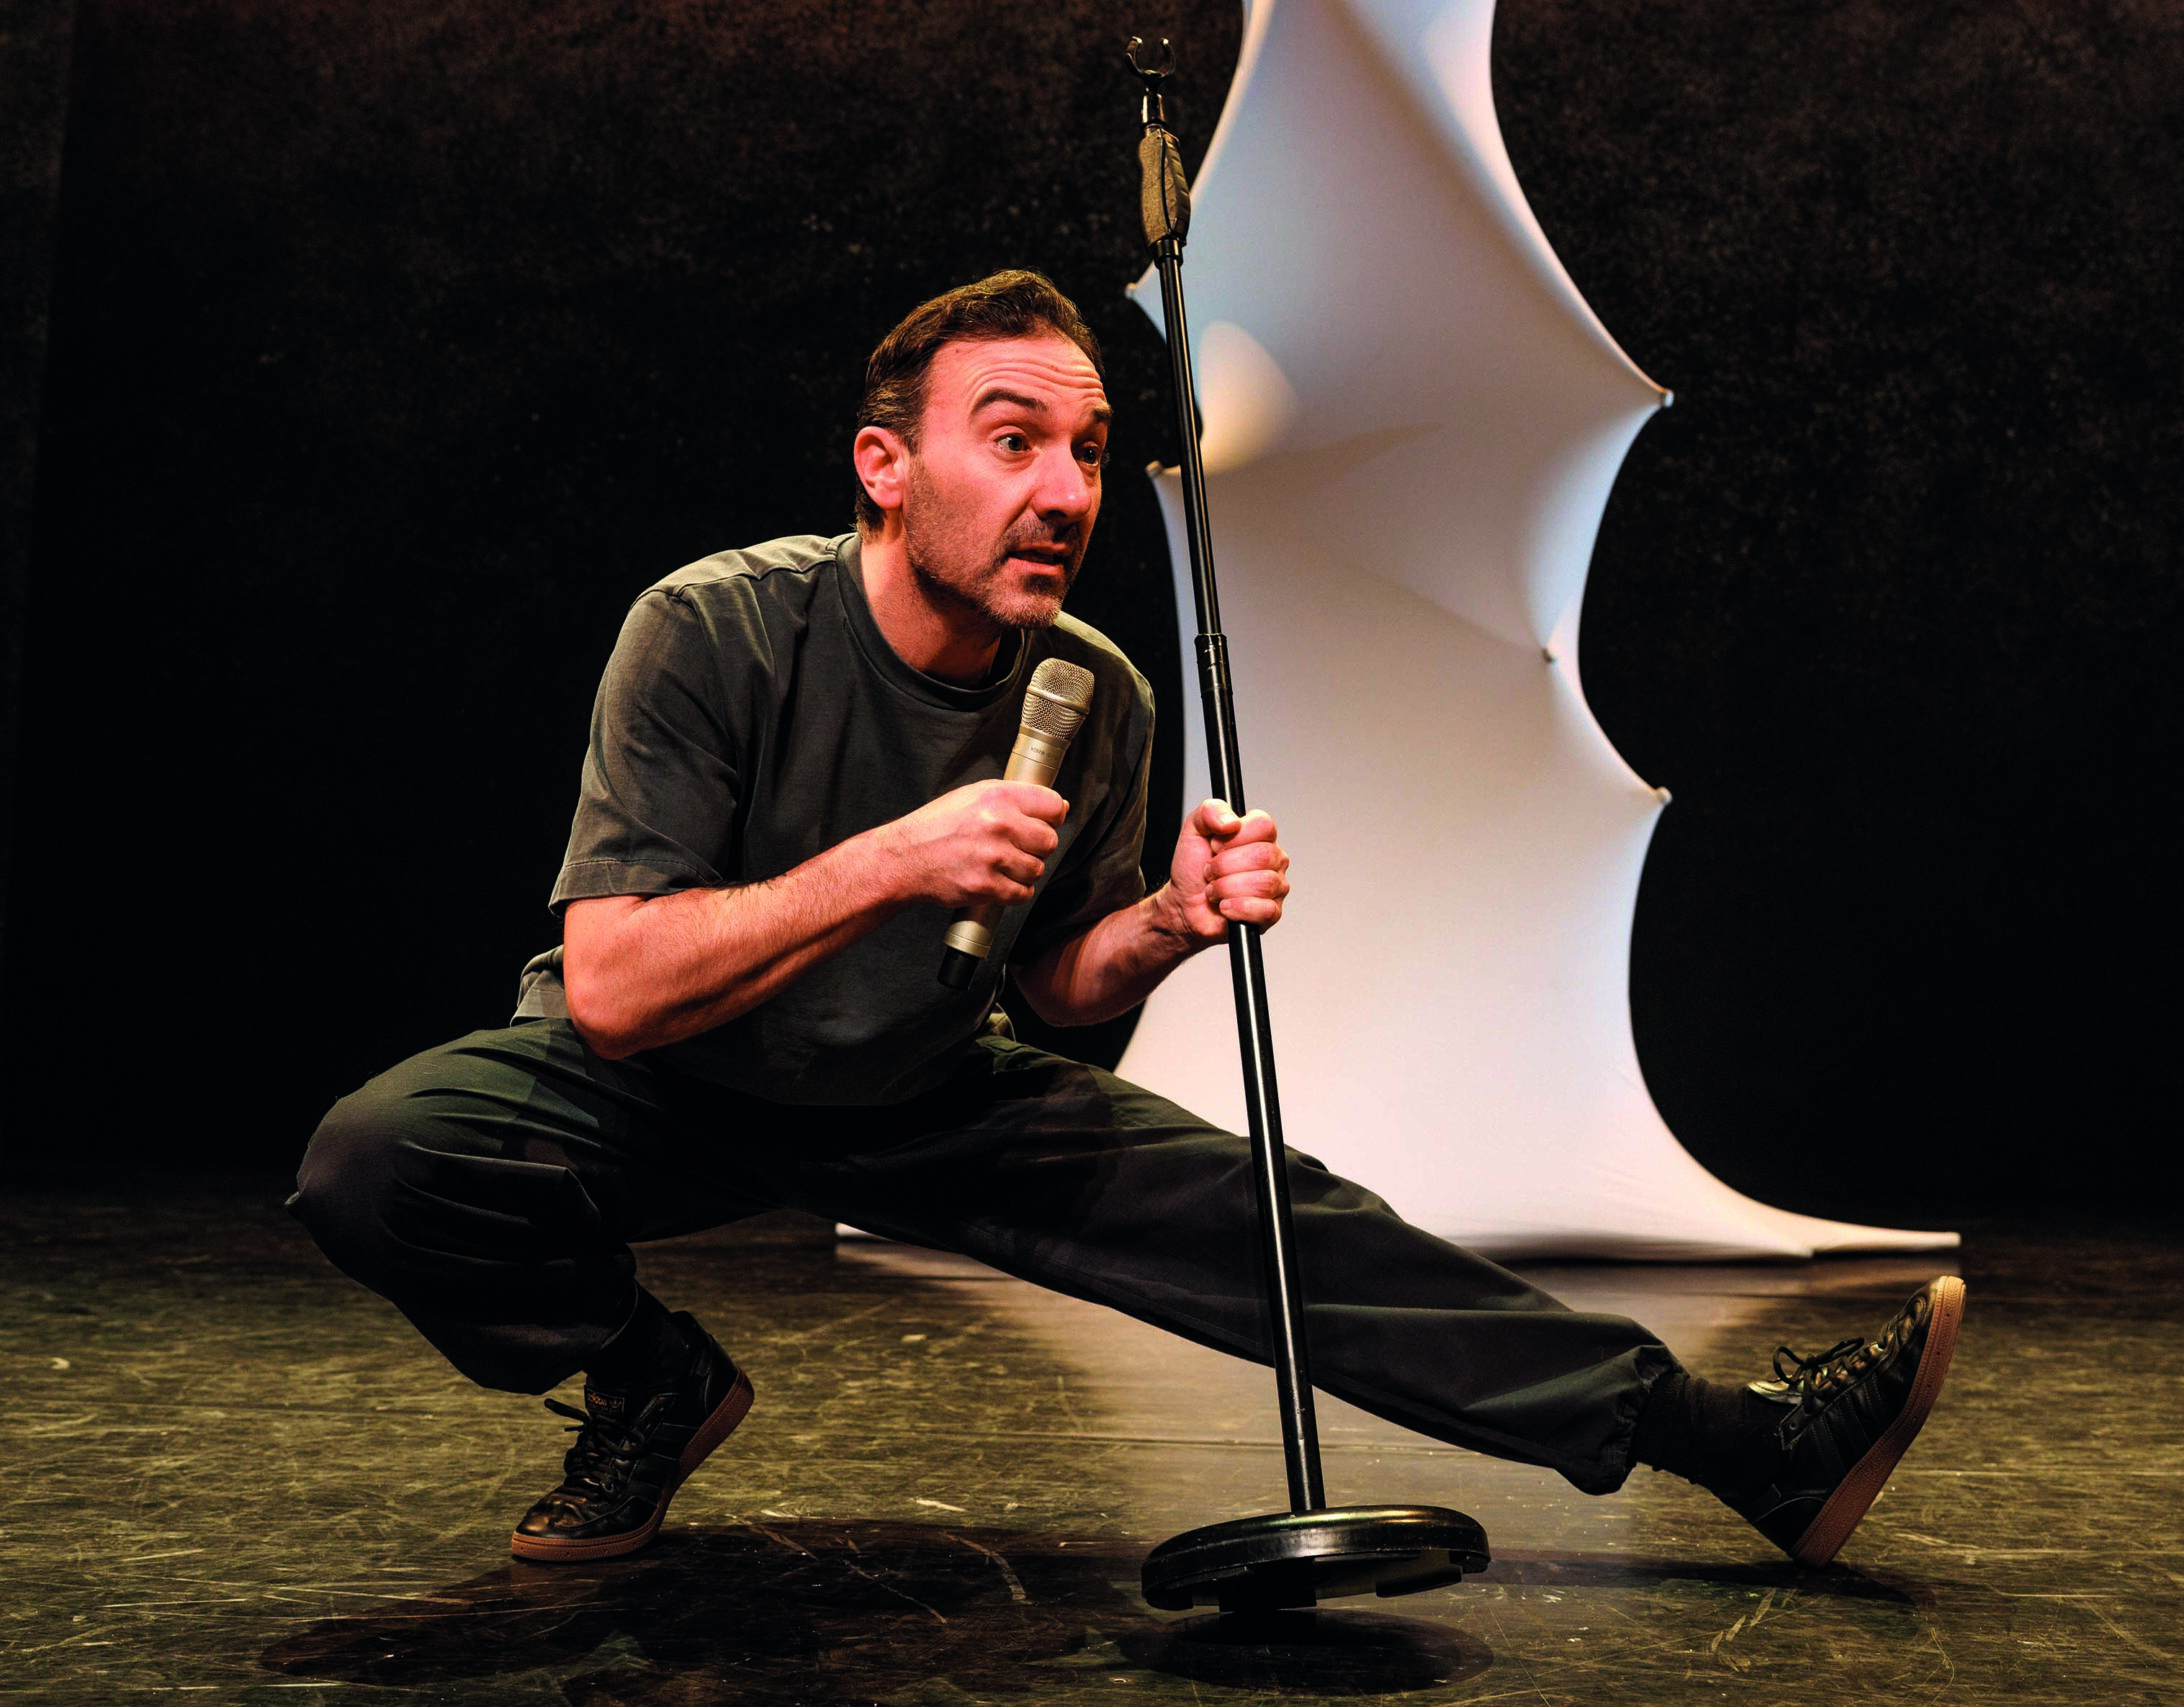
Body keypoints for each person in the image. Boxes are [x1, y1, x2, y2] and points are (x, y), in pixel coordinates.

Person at [291, 270, 1962, 1572]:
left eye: (1088, 451)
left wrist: (1164, 918)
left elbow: (1054, 987)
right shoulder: (713, 631)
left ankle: (1743, 1442)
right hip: (667, 1081)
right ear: (885, 467)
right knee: (380, 1157)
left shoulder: (1092, 690)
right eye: (1014, 439)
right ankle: (647, 1372)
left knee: (1289, 1224)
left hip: (925, 1093)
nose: (1066, 489)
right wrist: (893, 859)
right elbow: (613, 987)